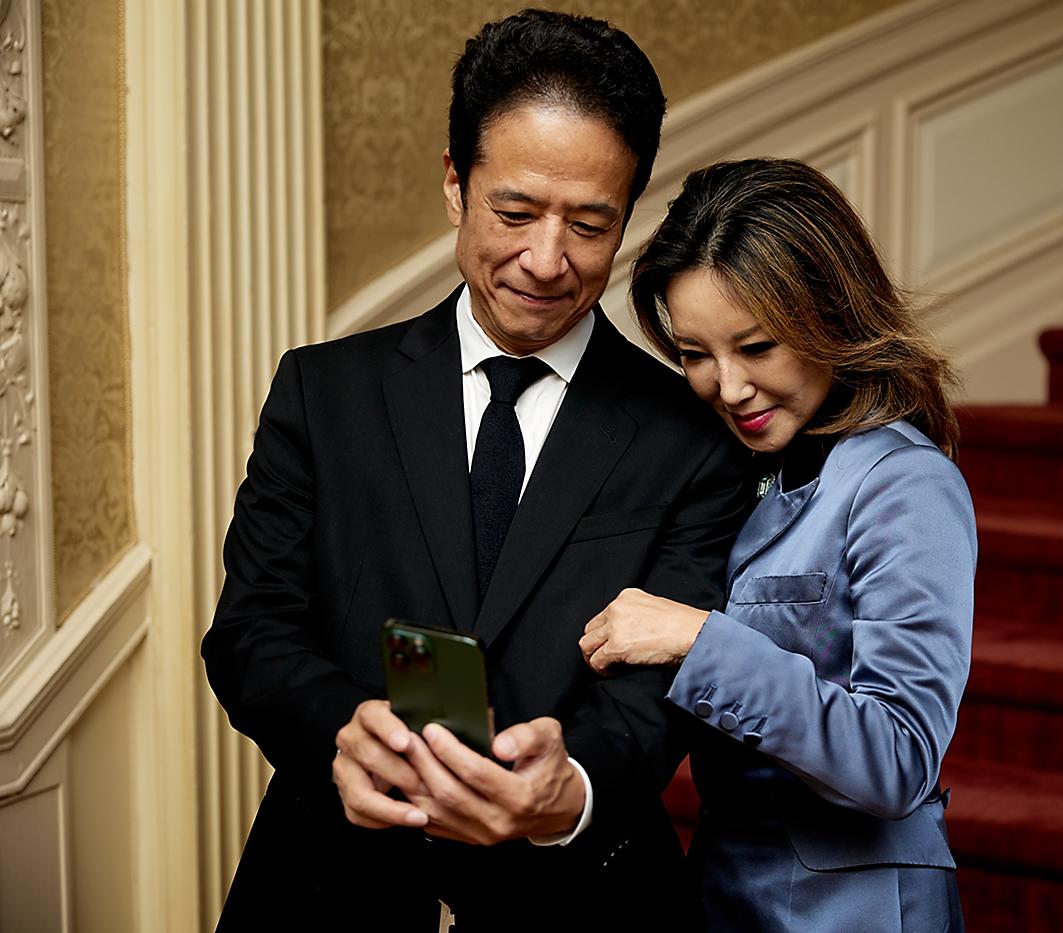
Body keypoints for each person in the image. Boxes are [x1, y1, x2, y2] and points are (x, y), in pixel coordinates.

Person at [201, 11, 749, 932]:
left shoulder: (690, 437)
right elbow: (250, 631)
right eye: (515, 212)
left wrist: (569, 787)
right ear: (456, 186)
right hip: (329, 887)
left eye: (589, 224)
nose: (547, 260)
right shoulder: (322, 391)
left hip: (586, 903)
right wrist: (339, 727)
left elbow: (668, 689)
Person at [580, 158, 975, 932]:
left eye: (757, 347)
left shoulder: (906, 483)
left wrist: (698, 638)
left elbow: (899, 758)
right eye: (695, 354)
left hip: (856, 910)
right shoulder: (739, 472)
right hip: (724, 890)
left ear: (829, 314)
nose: (727, 387)